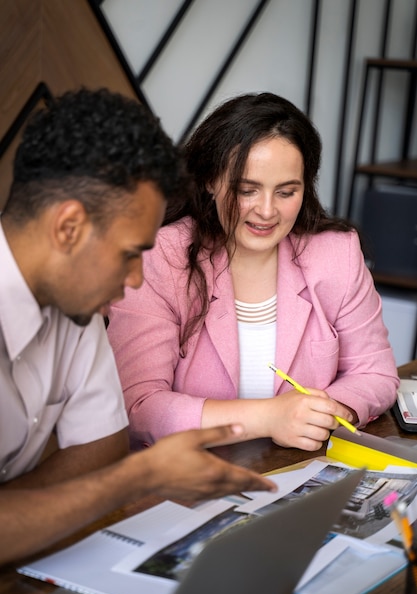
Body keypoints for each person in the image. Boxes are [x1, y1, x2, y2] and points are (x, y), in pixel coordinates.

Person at [0, 88, 275, 565]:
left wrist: (19, 514)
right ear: (68, 228)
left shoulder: (76, 304)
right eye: (129, 254)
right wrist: (140, 475)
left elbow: (101, 449)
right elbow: (112, 472)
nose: (134, 279)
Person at [108, 92, 399, 452]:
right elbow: (139, 408)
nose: (266, 211)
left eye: (286, 192)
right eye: (247, 190)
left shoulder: (335, 253)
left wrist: (317, 413)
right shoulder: (160, 258)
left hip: (295, 469)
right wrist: (268, 418)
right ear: (210, 180)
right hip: (185, 478)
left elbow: (376, 374)